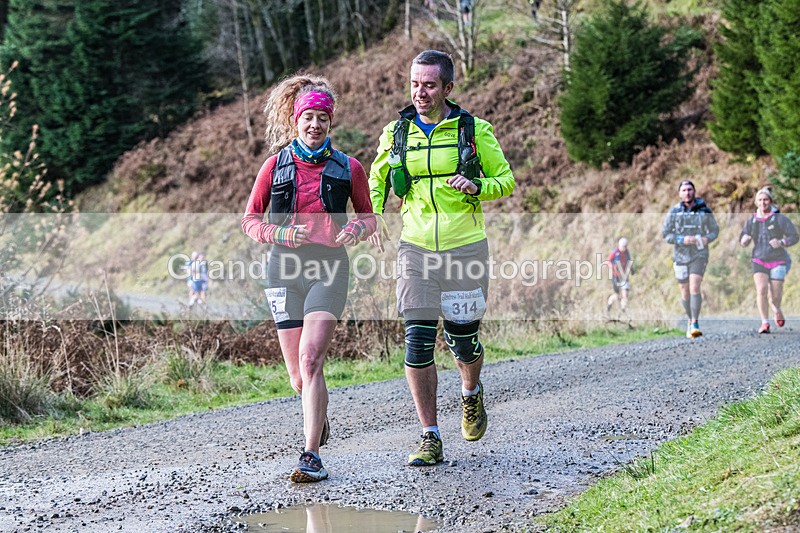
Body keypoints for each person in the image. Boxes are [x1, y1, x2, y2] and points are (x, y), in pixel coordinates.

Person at [368, 50, 515, 466]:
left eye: (429, 85)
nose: (420, 92)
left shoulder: (474, 130)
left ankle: (470, 394)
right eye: (415, 84)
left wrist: (476, 186)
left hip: (465, 246)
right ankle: (429, 435)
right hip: (415, 247)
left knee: (462, 341)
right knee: (416, 342)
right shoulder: (396, 132)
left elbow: (506, 181)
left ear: (448, 88)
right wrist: (375, 214)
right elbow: (377, 178)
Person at [241, 75, 376, 482]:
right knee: (298, 377)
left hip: (329, 268)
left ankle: (311, 454)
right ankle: (316, 416)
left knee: (311, 358)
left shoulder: (348, 167)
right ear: (296, 121)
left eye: (322, 118)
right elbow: (249, 220)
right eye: (308, 117)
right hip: (283, 268)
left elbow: (369, 217)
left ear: (330, 123)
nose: (314, 124)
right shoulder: (274, 166)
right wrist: (279, 233)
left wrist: (356, 230)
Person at [662, 180, 719, 339]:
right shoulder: (674, 212)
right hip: (680, 255)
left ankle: (695, 322)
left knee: (695, 287)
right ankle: (689, 318)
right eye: (684, 190)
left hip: (699, 254)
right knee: (684, 291)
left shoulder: (704, 210)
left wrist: (707, 238)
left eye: (690, 189)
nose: (687, 193)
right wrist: (682, 239)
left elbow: (715, 230)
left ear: (694, 191)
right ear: (680, 193)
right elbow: (666, 234)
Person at [739, 187, 799, 333]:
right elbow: (743, 237)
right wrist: (744, 240)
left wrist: (782, 242)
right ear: (756, 202)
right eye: (760, 200)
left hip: (778, 260)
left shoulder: (780, 219)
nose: (763, 202)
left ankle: (776, 308)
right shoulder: (752, 220)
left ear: (770, 201)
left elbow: (794, 236)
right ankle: (764, 322)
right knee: (761, 290)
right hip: (759, 259)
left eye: (765, 199)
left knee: (776, 295)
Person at [605, 237, 632, 317]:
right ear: (619, 246)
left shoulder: (627, 252)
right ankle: (608, 306)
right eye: (623, 246)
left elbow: (629, 261)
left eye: (625, 246)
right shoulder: (615, 252)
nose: (624, 248)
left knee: (625, 294)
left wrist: (631, 268)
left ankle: (624, 311)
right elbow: (608, 262)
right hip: (615, 276)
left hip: (624, 275)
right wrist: (613, 267)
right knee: (616, 295)